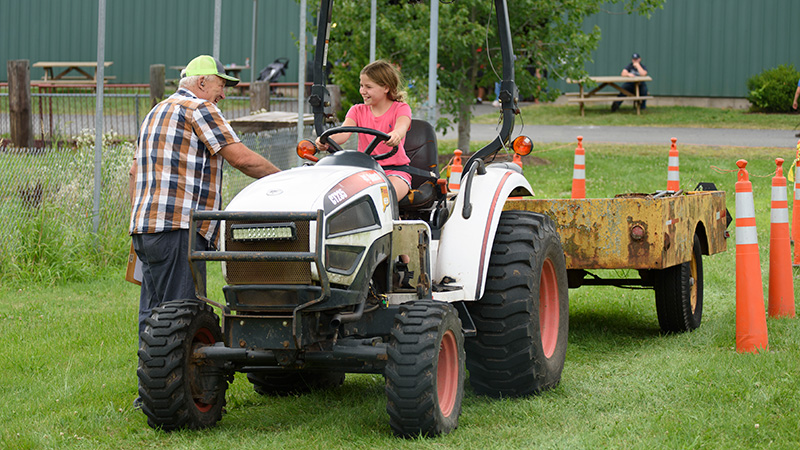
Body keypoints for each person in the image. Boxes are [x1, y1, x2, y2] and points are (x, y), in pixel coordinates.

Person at [129, 55, 280, 354]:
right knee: (183, 318)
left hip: (145, 227)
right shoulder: (199, 108)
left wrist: (137, 220)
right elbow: (241, 158)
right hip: (178, 227)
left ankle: (150, 389)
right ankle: (179, 391)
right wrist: (287, 179)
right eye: (221, 85)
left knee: (154, 313)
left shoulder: (156, 111)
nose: (223, 94)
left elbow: (134, 172)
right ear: (201, 82)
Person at [315, 59, 412, 201]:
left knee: (384, 198)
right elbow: (343, 133)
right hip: (366, 171)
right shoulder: (357, 110)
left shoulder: (401, 108)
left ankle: (395, 221)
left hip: (395, 172)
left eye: (368, 87)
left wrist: (396, 134)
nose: (362, 91)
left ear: (385, 88)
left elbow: (402, 126)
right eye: (361, 85)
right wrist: (325, 140)